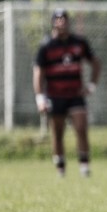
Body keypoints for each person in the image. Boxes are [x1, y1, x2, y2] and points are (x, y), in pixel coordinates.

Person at [33, 9, 102, 177]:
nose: (61, 22)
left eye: (64, 19)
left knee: (81, 128)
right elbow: (38, 73)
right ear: (53, 22)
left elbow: (95, 63)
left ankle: (84, 167)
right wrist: (40, 98)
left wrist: (91, 86)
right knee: (57, 133)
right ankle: (60, 168)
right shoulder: (46, 45)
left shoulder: (79, 42)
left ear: (68, 22)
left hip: (75, 95)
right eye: (57, 19)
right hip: (55, 95)